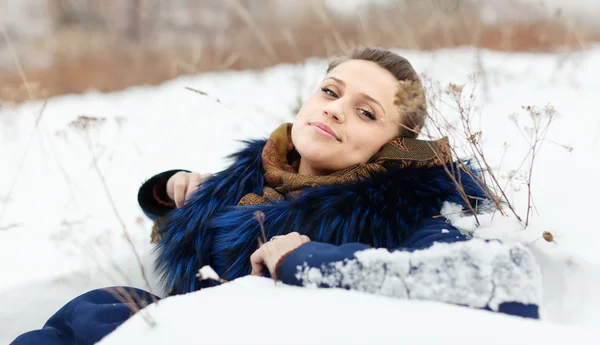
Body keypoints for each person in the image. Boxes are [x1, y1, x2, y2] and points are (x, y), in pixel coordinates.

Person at [12, 47, 541, 345]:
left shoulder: (406, 202)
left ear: (397, 145)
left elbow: (499, 281)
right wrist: (180, 199)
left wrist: (308, 259)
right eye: (331, 91)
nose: (335, 109)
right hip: (182, 328)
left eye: (366, 111)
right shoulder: (259, 174)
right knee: (97, 310)